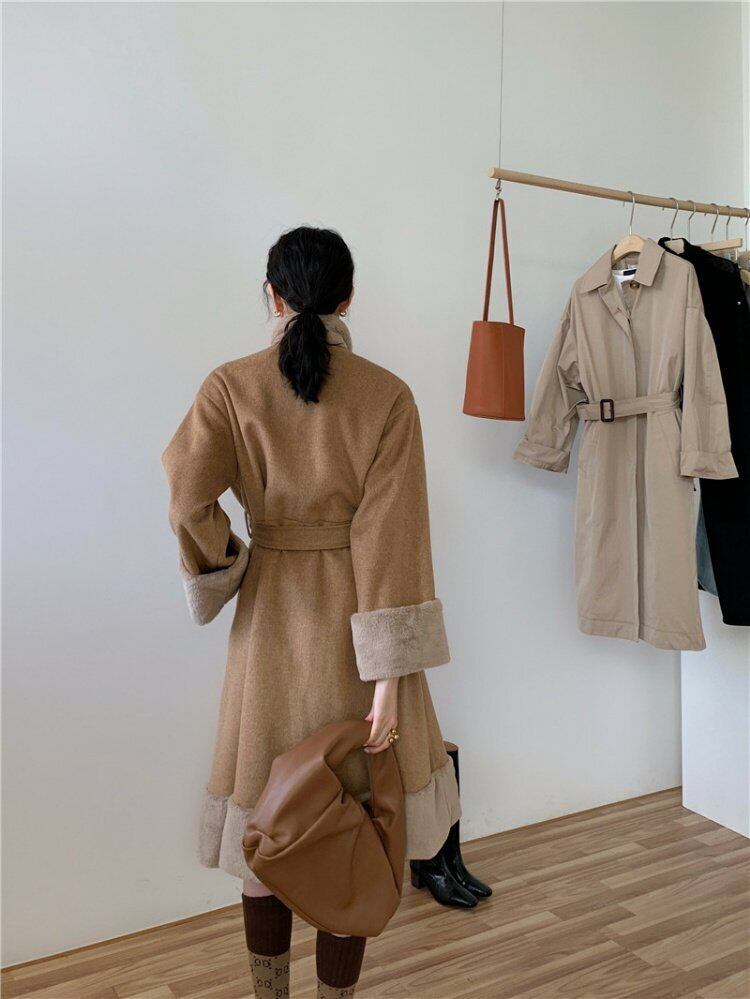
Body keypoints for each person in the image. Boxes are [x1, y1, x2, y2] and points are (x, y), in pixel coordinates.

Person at [162, 226, 460, 998]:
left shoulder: (231, 386)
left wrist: (229, 565)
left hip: (269, 630)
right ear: (348, 299)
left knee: (264, 831)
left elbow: (188, 497)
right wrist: (388, 687)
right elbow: (392, 541)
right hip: (356, 648)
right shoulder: (387, 396)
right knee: (351, 837)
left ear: (273, 296)